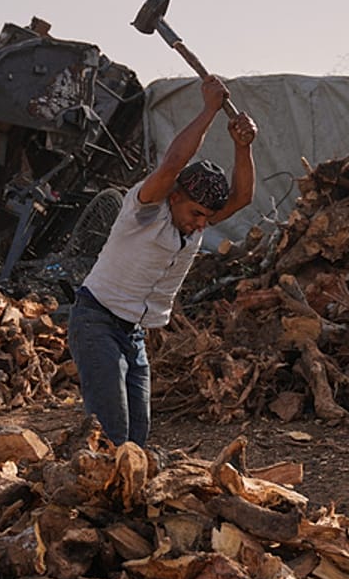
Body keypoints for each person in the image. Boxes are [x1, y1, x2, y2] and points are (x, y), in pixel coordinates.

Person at [68, 75, 257, 447]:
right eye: (197, 212)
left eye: (207, 216)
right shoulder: (146, 209)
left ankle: (124, 497)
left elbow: (244, 197)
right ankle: (99, 499)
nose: (202, 223)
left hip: (133, 334)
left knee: (137, 437)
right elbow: (172, 164)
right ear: (175, 197)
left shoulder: (194, 223)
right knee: (112, 434)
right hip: (96, 322)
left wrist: (242, 146)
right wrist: (208, 110)